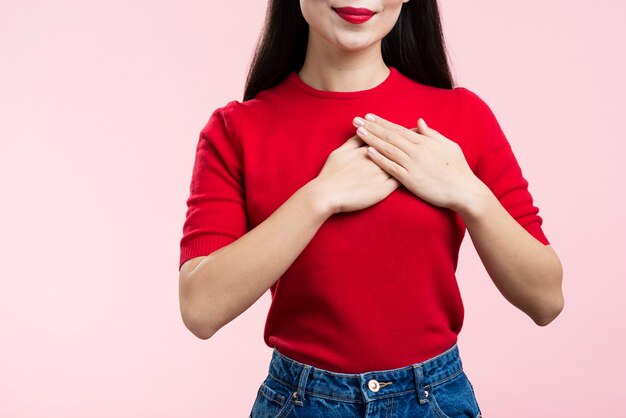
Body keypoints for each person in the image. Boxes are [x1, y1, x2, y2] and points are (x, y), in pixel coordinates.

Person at [178, 0, 564, 416]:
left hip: (433, 400)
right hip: (300, 402)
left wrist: (468, 193)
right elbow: (201, 309)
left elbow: (546, 300)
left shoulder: (462, 117)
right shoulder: (237, 130)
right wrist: (319, 197)